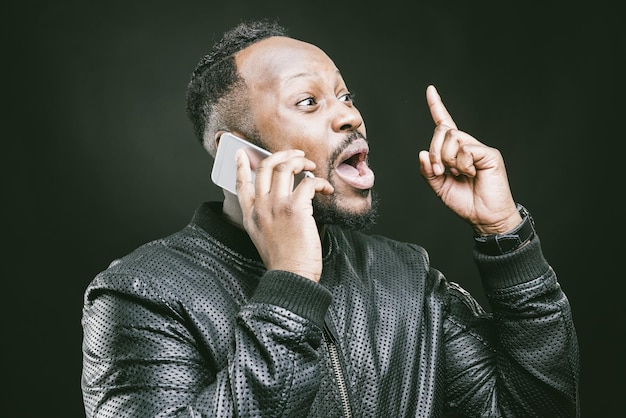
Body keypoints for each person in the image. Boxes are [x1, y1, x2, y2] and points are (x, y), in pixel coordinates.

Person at [81, 19, 580, 417]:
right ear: (235, 154)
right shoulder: (138, 294)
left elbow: (533, 411)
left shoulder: (407, 278)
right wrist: (291, 286)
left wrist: (506, 237)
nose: (349, 116)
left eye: (345, 96)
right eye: (308, 102)